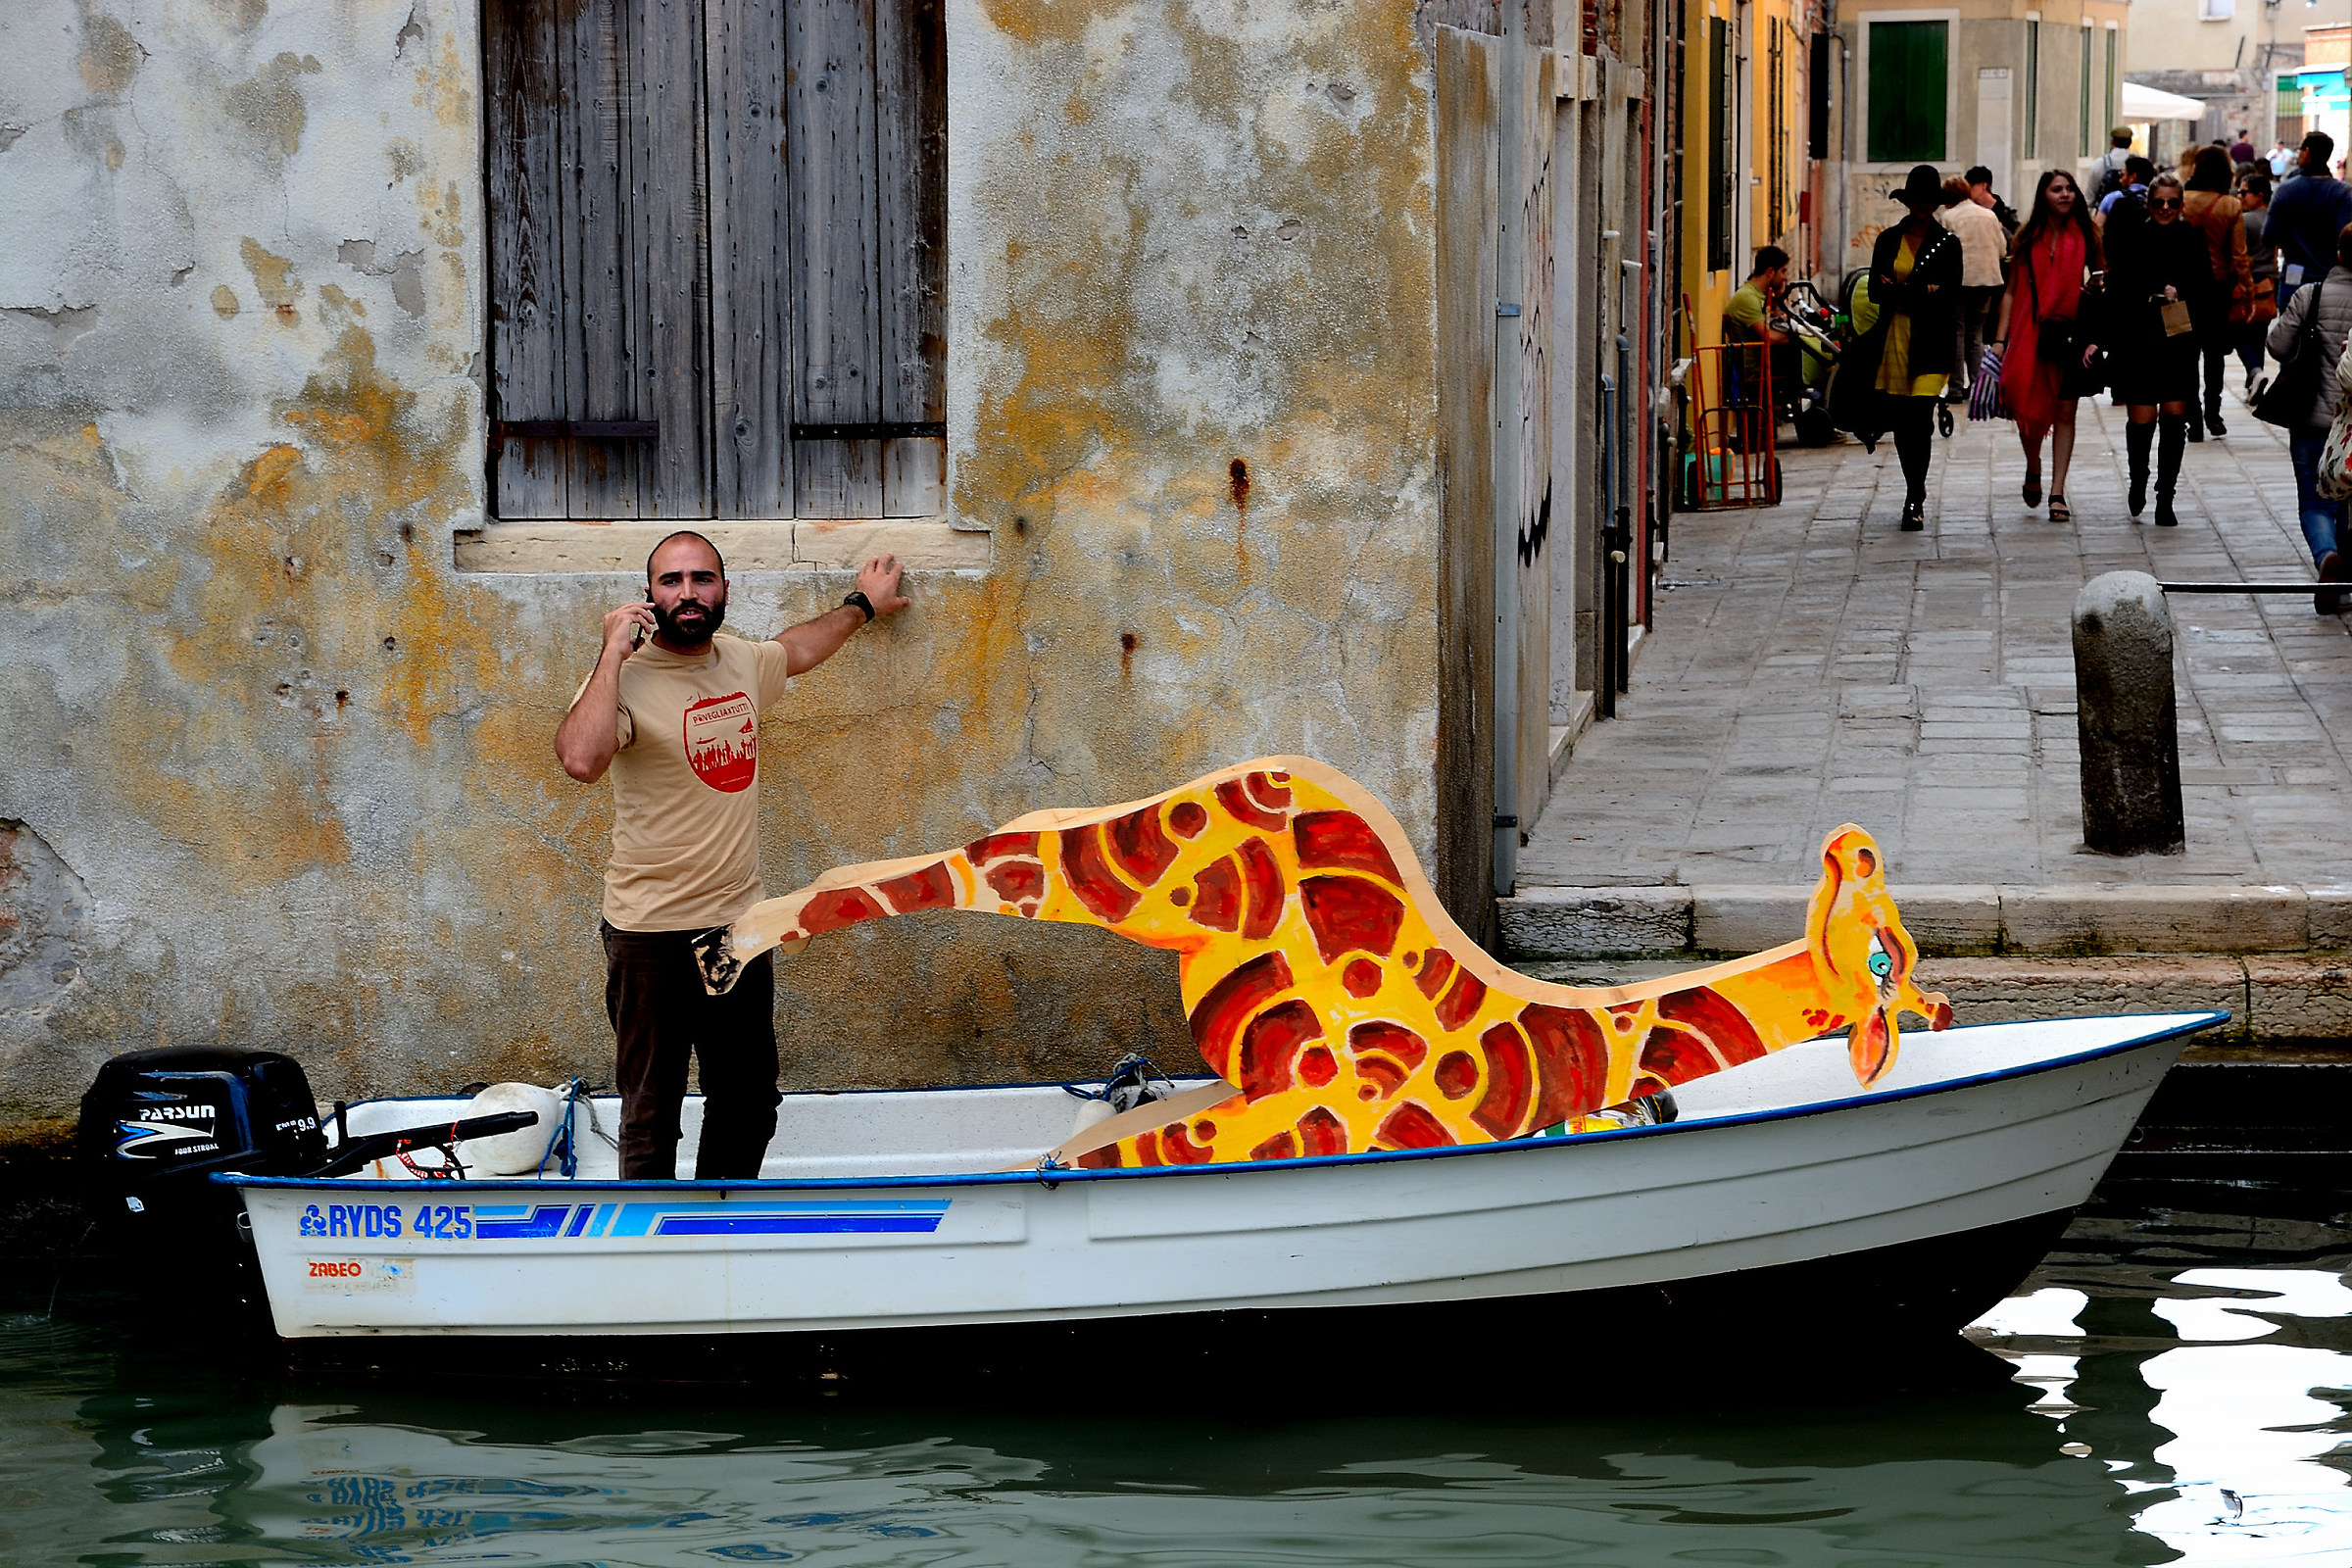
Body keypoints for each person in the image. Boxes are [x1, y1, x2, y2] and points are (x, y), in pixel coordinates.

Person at [553, 533, 913, 1179]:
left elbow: (799, 648)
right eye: (670, 581)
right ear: (648, 595)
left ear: (724, 590)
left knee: (748, 1101)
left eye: (702, 579)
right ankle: (654, 1256)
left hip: (737, 931)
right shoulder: (623, 681)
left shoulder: (741, 661)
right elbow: (581, 759)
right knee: (651, 1113)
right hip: (649, 933)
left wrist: (862, 603)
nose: (687, 593)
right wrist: (610, 654)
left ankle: (720, 1226)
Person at [1835, 165, 1961, 531]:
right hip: (1893, 340)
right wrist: (1922, 291)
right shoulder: (1888, 240)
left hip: (1932, 343)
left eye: (1928, 200)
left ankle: (1914, 499)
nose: (1922, 206)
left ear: (1936, 203)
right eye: (1916, 200)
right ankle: (1914, 490)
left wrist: (1903, 291)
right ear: (1908, 201)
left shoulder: (1948, 243)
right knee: (1905, 421)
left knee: (1919, 418)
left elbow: (1950, 293)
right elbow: (1876, 289)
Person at [1992, 170, 2102, 523]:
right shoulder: (2027, 238)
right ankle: (2033, 464)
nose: (2066, 195)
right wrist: (1999, 340)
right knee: (2028, 409)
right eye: (2057, 189)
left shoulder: (2087, 234)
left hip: (2072, 333)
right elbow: (2010, 292)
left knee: (2065, 413)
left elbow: (2102, 282)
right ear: (2044, 196)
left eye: (2070, 189)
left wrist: (2094, 293)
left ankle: (2057, 491)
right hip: (2031, 333)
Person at [2102, 175, 2211, 526]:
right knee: (2142, 417)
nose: (2165, 208)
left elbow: (2207, 285)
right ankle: (2138, 480)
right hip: (2139, 334)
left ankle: (2166, 496)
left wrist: (2182, 294)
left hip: (2178, 335)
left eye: (2173, 202)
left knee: (2174, 417)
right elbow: (2117, 286)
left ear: (2181, 204)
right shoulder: (2132, 236)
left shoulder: (2192, 237)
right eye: (2159, 202)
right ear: (2149, 203)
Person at [2264, 223, 2352, 612]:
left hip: (2313, 419)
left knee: (2316, 504)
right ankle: (2345, 575)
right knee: (2351, 506)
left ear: (2338, 254)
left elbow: (2279, 346)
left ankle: (2326, 555)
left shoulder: (2310, 295)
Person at [2181, 146, 2253, 439]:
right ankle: (2213, 412)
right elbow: (2240, 255)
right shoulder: (2230, 205)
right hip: (2218, 287)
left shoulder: (2182, 202)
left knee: (2186, 354)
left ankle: (2193, 417)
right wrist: (2248, 293)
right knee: (2214, 355)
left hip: (2184, 288)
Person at [1939, 175, 2009, 399]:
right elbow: (2002, 250)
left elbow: (1943, 252)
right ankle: (1979, 386)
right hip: (1987, 281)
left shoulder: (1948, 217)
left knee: (1957, 333)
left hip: (1959, 282)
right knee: (1976, 335)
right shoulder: (1988, 215)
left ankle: (1956, 387)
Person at [2267, 132, 2352, 305]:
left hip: (2294, 277)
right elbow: (2346, 238)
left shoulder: (2285, 190)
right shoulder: (2343, 193)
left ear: (2306, 152)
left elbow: (2269, 235)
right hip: (2330, 280)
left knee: (2291, 326)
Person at [1724, 244, 1799, 418]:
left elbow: (1777, 321)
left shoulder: (1759, 296)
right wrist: (1791, 335)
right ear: (1770, 272)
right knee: (1797, 347)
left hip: (1763, 361)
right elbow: (1768, 337)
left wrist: (1779, 301)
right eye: (1783, 271)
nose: (1786, 278)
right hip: (1754, 368)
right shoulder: (1747, 298)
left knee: (1797, 346)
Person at [2236, 172, 2279, 390]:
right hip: (2270, 282)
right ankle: (2254, 381)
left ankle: (2255, 372)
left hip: (2249, 281)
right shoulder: (2274, 218)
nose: (2240, 196)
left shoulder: (2246, 220)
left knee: (2240, 333)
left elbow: (2240, 253)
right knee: (2259, 337)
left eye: (2244, 192)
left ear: (2259, 195)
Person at [1965, 165, 2020, 235]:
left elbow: (2017, 239)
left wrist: (2001, 230)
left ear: (1983, 185)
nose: (1968, 189)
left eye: (1971, 186)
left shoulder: (2007, 215)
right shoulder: (1969, 212)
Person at [2098, 156, 2155, 222]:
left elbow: (2098, 226)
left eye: (2123, 175)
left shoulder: (2112, 198)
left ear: (2133, 177)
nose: (2120, 180)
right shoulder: (2156, 201)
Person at [2092, 127, 2135, 201]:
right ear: (2130, 143)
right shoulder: (2139, 164)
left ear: (2112, 142)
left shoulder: (2099, 164)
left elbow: (2090, 197)